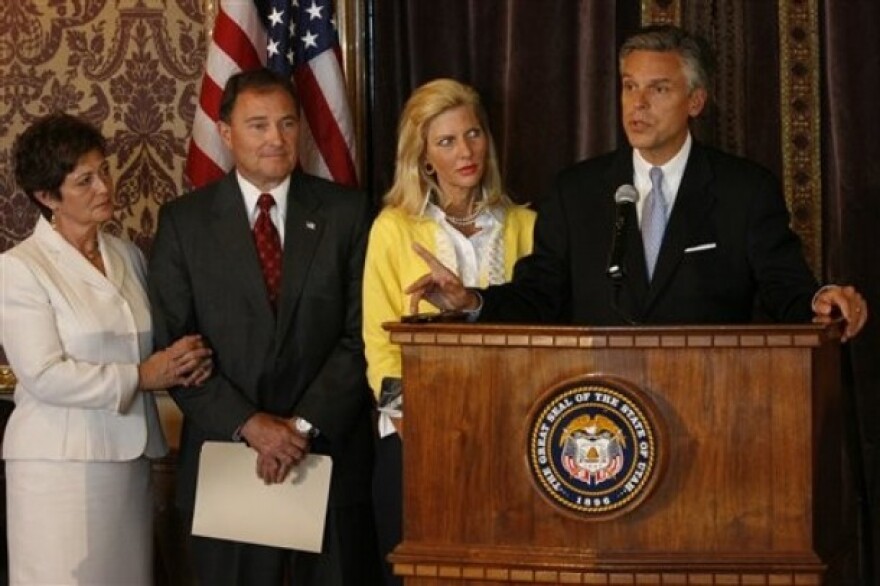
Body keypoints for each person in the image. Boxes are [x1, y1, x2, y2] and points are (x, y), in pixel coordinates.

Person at [406, 25, 868, 339]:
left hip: (713, 415)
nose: (637, 104)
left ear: (696, 100)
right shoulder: (576, 192)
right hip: (598, 426)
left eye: (658, 88)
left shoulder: (744, 191)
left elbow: (786, 287)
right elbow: (539, 296)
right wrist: (471, 301)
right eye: (629, 86)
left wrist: (820, 299)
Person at [148, 68, 381, 585]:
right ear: (226, 134)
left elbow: (360, 335)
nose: (276, 139)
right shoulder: (183, 223)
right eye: (258, 125)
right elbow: (177, 347)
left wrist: (296, 429)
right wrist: (252, 425)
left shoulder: (349, 212)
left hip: (325, 458)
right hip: (229, 463)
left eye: (287, 124)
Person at [0, 112, 212, 585]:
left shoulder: (126, 254)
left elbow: (154, 341)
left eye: (104, 170)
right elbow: (44, 374)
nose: (104, 186)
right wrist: (142, 375)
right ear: (47, 197)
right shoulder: (20, 268)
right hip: (58, 469)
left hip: (130, 461)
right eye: (85, 180)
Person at [363, 78, 536, 584]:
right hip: (418, 438)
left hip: (512, 436)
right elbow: (379, 341)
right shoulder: (393, 228)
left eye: (474, 134)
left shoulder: (527, 225)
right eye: (446, 141)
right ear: (423, 158)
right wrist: (412, 421)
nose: (466, 151)